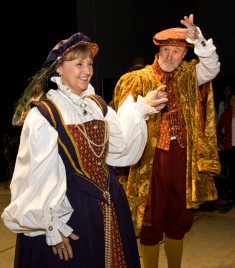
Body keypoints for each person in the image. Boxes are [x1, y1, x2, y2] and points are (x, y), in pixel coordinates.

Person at [1, 32, 168, 268]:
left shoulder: (97, 105)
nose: (87, 70)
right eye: (78, 64)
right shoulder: (44, 114)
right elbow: (34, 176)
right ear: (59, 68)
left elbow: (120, 148)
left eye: (89, 64)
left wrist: (141, 108)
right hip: (72, 212)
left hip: (111, 205)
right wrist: (52, 226)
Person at [112, 14, 221, 268]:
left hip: (182, 157)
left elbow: (212, 67)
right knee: (151, 220)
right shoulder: (137, 79)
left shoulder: (189, 75)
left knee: (179, 218)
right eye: (166, 50)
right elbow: (121, 119)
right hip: (151, 159)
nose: (170, 56)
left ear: (185, 54)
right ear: (158, 51)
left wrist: (199, 40)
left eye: (177, 51)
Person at [217, 93, 235, 204]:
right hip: (230, 148)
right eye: (233, 99)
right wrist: (219, 143)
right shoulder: (225, 115)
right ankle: (232, 196)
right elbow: (217, 129)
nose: (234, 101)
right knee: (232, 173)